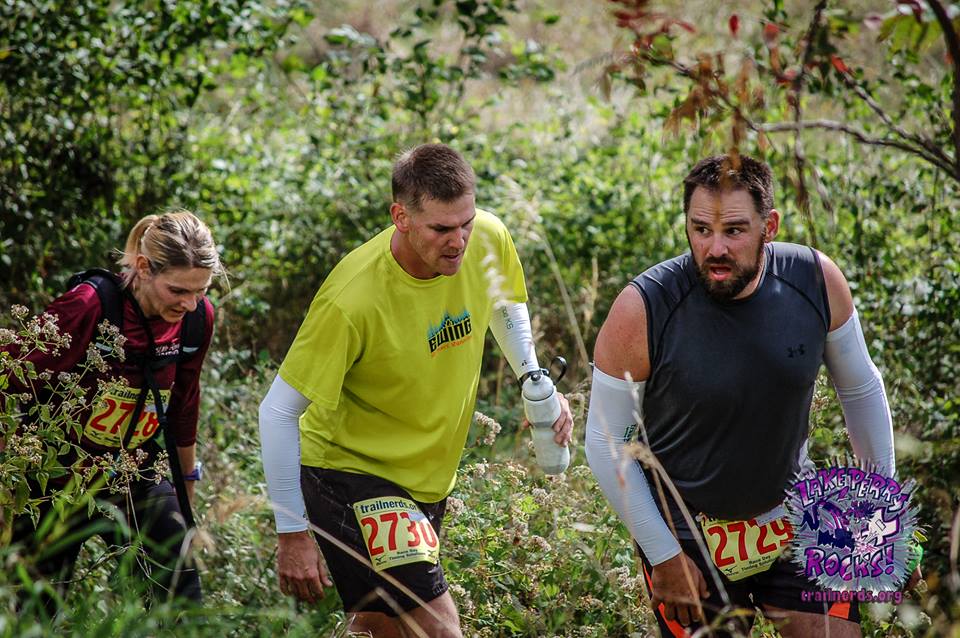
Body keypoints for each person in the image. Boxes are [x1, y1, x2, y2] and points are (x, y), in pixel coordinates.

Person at [585, 155, 910, 637]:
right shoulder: (644, 308)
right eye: (699, 229)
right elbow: (606, 442)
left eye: (734, 231)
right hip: (687, 532)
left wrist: (880, 511)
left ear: (769, 226)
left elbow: (860, 389)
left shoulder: (815, 281)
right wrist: (664, 555)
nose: (714, 248)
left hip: (795, 514)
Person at [258, 143, 573, 637]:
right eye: (442, 229)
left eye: (465, 222)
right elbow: (277, 412)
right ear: (400, 217)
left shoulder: (486, 237)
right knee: (439, 630)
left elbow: (503, 302)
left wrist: (534, 381)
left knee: (379, 628)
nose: (460, 242)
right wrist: (291, 532)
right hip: (350, 473)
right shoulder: (353, 298)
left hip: (426, 477)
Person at [5, 210, 221, 615]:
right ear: (143, 267)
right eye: (178, 290)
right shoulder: (89, 305)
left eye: (201, 291)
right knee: (35, 608)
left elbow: (185, 402)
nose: (191, 304)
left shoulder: (196, 319)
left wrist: (185, 486)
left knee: (181, 598)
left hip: (135, 469)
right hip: (57, 475)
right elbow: (6, 372)